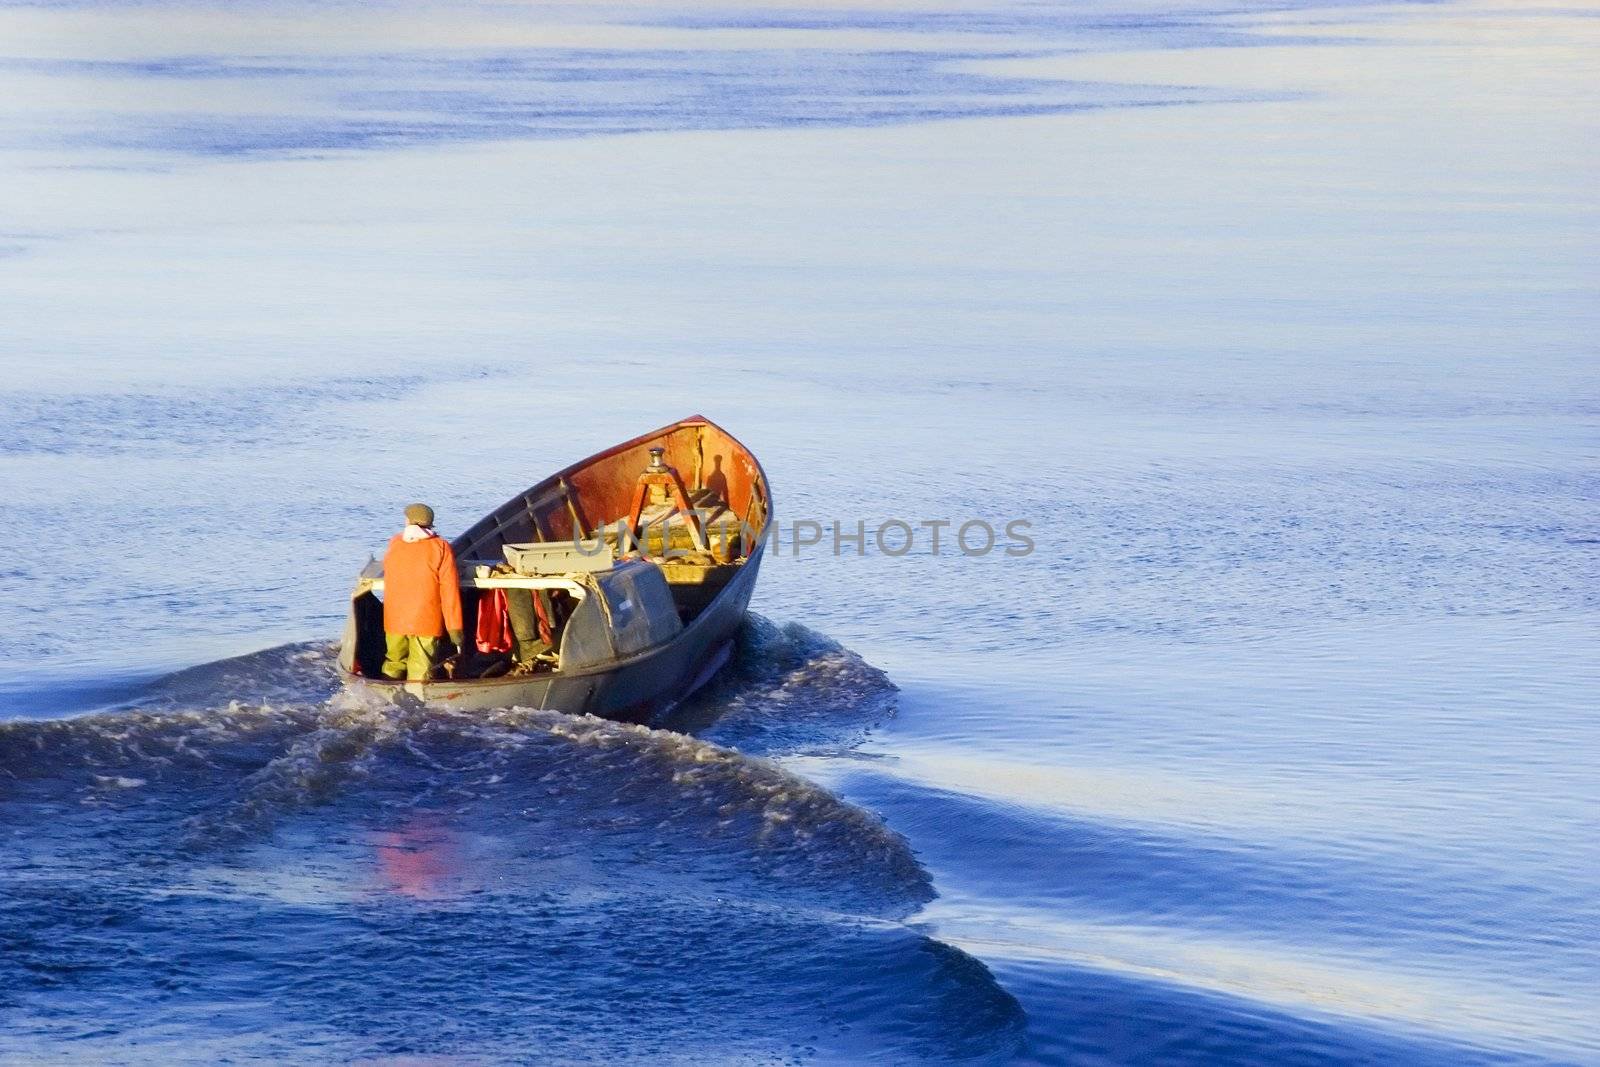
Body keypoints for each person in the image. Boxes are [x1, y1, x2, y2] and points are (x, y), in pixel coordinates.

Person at [381, 503, 465, 681]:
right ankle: (418, 701)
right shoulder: (441, 547)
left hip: (395, 618)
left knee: (394, 661)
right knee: (421, 668)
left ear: (409, 521)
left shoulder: (395, 542)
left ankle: (387, 691)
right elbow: (449, 592)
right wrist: (455, 629)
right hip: (425, 620)